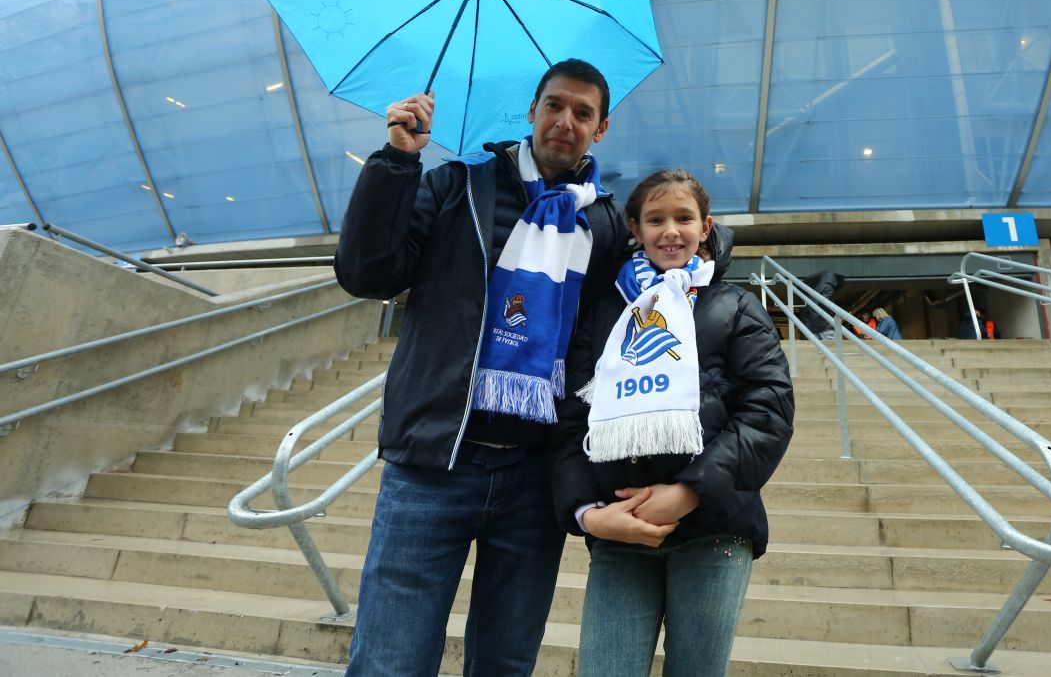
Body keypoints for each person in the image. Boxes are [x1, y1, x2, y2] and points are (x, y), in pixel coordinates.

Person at [333, 59, 629, 677]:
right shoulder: (457, 185)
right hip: (434, 464)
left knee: (505, 663)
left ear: (600, 130)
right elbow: (368, 273)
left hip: (533, 477)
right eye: (554, 105)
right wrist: (396, 162)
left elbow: (617, 326)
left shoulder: (603, 222)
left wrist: (708, 247)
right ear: (531, 111)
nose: (564, 121)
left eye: (582, 113)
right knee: (390, 660)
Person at [552, 169, 795, 677]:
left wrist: (690, 491)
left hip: (715, 529)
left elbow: (768, 411)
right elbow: (573, 420)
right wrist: (587, 514)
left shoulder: (736, 305)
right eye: (655, 219)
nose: (670, 231)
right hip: (623, 532)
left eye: (684, 218)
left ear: (705, 227)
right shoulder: (605, 314)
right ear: (634, 230)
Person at [799, 270, 845, 339]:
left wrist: (809, 325)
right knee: (833, 348)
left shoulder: (815, 289)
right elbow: (824, 306)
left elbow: (809, 309)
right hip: (824, 326)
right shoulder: (828, 288)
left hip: (814, 326)